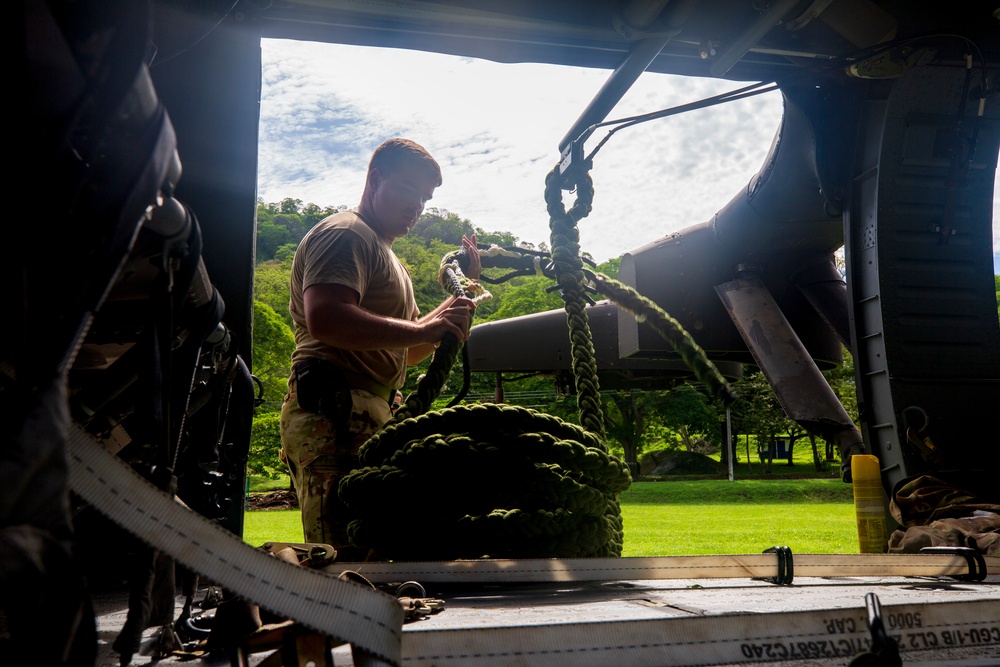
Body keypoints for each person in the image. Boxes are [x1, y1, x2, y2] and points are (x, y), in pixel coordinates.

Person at [279, 137, 480, 556]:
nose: (418, 207)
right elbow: (328, 318)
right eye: (409, 189)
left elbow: (404, 351)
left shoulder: (386, 255)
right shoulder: (346, 234)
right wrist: (426, 330)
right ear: (376, 179)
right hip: (335, 410)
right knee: (344, 560)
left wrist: (461, 299)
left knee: (375, 556)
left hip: (369, 412)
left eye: (425, 198)